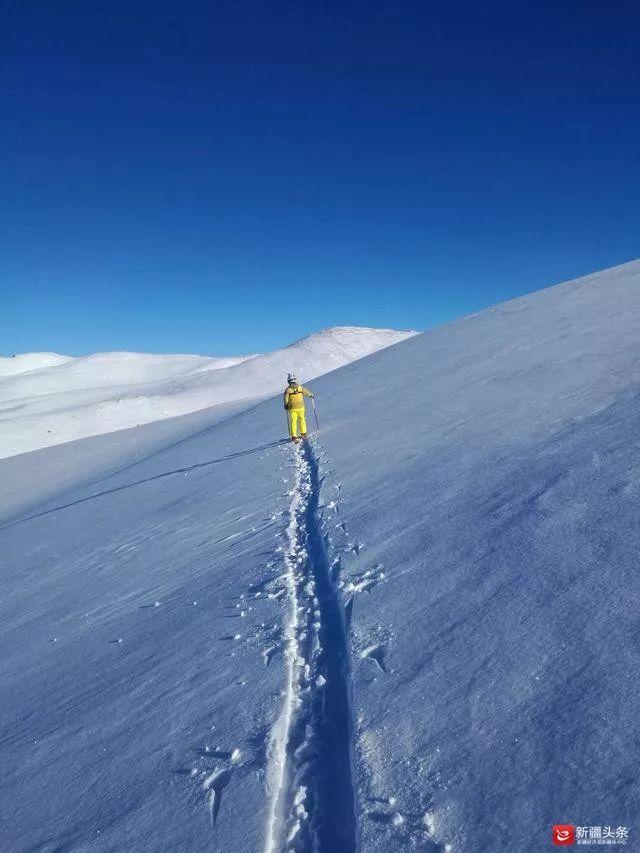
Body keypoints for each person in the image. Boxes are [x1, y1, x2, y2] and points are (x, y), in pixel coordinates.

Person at [283, 373, 314, 442]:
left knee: (293, 421)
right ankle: (303, 433)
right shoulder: (300, 387)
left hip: (292, 408)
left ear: (288, 381)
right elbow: (306, 392)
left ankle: (294, 436)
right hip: (301, 407)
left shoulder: (288, 390)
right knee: (302, 419)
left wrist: (286, 405)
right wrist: (310, 395)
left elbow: (286, 399)